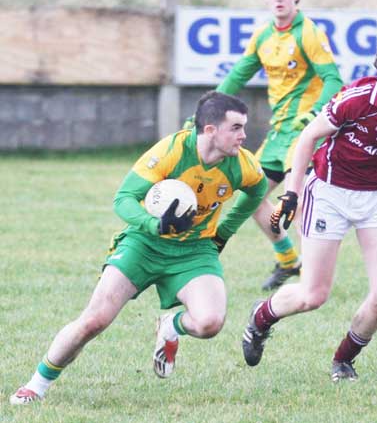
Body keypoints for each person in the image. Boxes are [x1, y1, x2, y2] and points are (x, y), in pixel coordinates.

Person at [10, 91, 268, 405]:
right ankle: (36, 385)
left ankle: (171, 327)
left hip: (195, 250)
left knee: (209, 322)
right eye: (236, 128)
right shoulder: (172, 150)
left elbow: (257, 192)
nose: (244, 135)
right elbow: (123, 199)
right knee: (95, 320)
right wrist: (153, 224)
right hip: (143, 244)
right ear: (210, 130)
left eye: (244, 127)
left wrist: (224, 232)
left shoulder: (243, 165)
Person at [240, 37, 377, 381]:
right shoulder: (355, 99)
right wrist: (292, 193)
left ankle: (344, 360)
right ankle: (261, 318)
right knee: (313, 295)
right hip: (330, 194)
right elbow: (307, 139)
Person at [217, 0, 342, 290]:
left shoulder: (309, 32)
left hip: (305, 132)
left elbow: (334, 80)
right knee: (250, 194)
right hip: (277, 134)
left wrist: (314, 114)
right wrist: (208, 110)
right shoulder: (263, 36)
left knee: (295, 199)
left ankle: (313, 278)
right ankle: (289, 261)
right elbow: (237, 76)